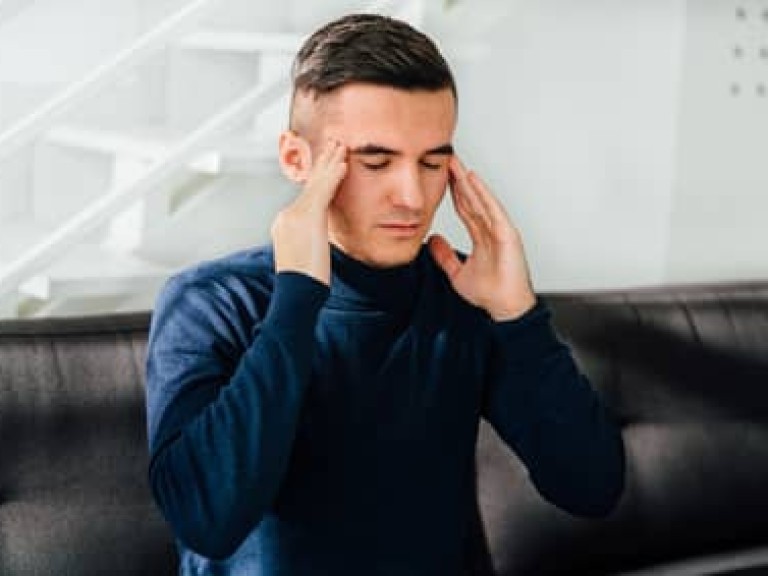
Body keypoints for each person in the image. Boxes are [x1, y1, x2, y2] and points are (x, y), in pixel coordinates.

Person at [145, 13, 625, 575]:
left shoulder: (464, 295)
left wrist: (517, 315)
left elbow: (592, 488)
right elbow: (209, 518)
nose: (412, 197)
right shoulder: (211, 301)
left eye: (433, 162)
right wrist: (297, 297)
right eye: (376, 161)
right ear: (299, 160)